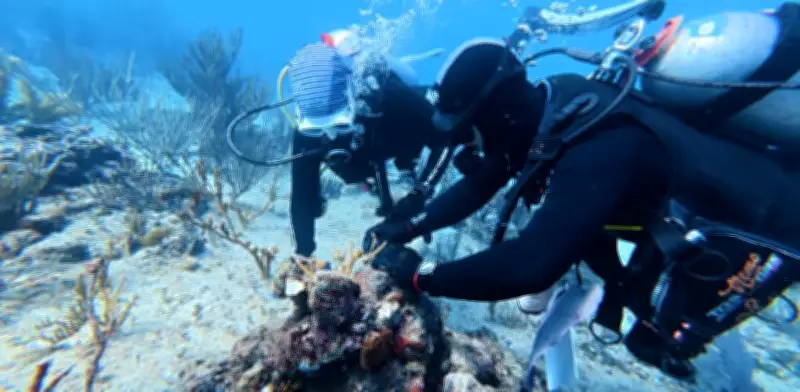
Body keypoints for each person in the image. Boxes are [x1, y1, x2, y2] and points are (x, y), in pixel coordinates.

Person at [363, 3, 800, 380]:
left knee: (654, 338)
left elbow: (530, 266)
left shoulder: (600, 146)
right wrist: (402, 227)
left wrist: (421, 276)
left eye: (468, 131)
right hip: (686, 221)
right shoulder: (554, 107)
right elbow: (481, 183)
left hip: (773, 223)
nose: (468, 145)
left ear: (497, 114)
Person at [283, 33, 454, 261]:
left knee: (413, 145)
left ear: (352, 99)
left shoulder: (392, 97)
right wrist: (303, 254)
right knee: (347, 172)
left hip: (393, 132)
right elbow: (301, 196)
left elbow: (444, 140)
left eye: (339, 125)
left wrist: (419, 194)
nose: (330, 135)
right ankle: (375, 183)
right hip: (364, 156)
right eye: (316, 129)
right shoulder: (305, 133)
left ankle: (404, 171)